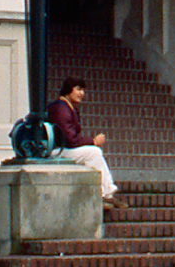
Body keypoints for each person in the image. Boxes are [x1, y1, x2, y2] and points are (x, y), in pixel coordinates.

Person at [47, 78, 125, 210]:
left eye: (83, 90)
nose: (81, 93)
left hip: (63, 149)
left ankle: (106, 194)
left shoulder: (68, 108)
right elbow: (70, 139)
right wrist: (93, 141)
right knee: (93, 152)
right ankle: (106, 193)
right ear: (68, 89)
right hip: (55, 151)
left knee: (94, 155)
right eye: (78, 89)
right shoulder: (60, 108)